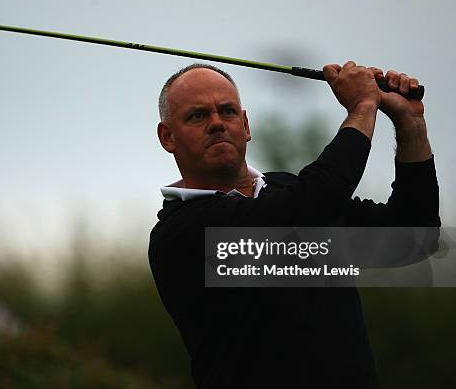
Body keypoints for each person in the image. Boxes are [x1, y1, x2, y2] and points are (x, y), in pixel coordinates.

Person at [148, 62, 440, 388]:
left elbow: (413, 236)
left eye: (227, 111)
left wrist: (410, 125)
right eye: (198, 116)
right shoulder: (181, 232)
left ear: (245, 125)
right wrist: (362, 107)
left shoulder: (287, 191)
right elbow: (307, 208)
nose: (217, 124)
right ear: (168, 136)